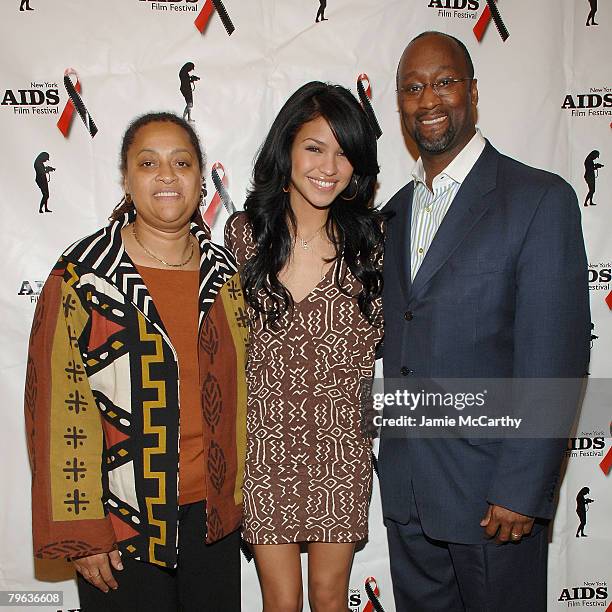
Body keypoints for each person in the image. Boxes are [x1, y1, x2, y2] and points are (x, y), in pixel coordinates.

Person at [378, 31, 590, 611]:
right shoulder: (391, 214)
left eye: (443, 82)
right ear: (399, 103)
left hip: (495, 500)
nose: (429, 100)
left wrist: (522, 487)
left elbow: (555, 354)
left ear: (473, 90)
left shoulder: (538, 199)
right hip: (410, 495)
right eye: (412, 88)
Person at [25, 112, 248, 611]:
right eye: (149, 163)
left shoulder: (227, 275)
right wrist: (85, 532)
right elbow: (56, 409)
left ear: (199, 175)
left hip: (213, 519)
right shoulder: (84, 275)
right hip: (122, 526)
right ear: (127, 180)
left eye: (182, 162)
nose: (167, 175)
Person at [224, 81, 384, 612]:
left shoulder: (372, 246)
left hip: (340, 448)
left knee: (329, 595)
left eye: (343, 153)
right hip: (265, 449)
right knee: (282, 600)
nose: (328, 166)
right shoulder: (244, 237)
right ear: (287, 148)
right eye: (315, 147)